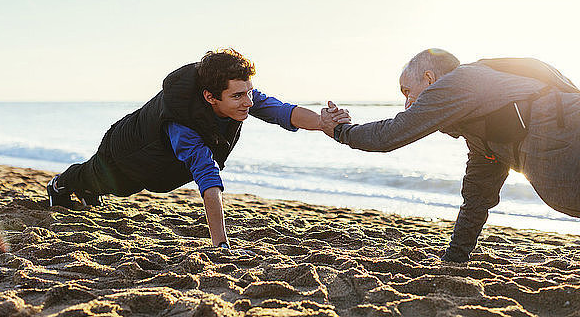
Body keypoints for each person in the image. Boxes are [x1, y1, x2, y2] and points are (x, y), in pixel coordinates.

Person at [47, 48, 350, 248]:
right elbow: (207, 176)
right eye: (238, 96)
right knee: (107, 182)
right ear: (210, 97)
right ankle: (59, 185)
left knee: (113, 188)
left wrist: (323, 123)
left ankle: (87, 191)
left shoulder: (238, 94)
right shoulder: (183, 124)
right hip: (126, 152)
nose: (248, 102)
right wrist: (221, 243)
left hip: (157, 161)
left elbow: (281, 111)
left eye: (250, 92)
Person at [321, 48, 580, 262]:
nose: (407, 104)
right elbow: (478, 195)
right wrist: (456, 256)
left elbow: (391, 134)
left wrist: (342, 131)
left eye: (407, 91)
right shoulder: (481, 133)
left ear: (430, 79)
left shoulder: (459, 81)